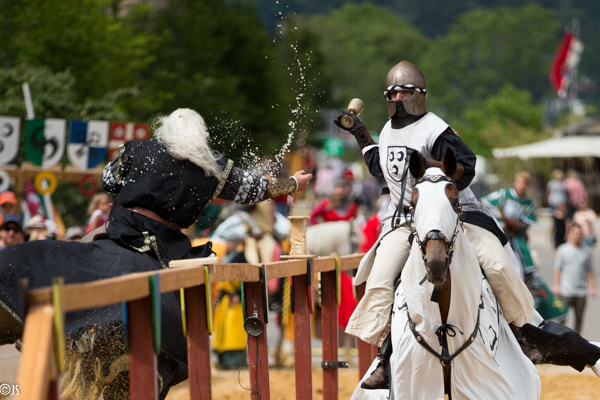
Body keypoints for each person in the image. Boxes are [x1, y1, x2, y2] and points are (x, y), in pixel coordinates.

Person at [0, 108, 312, 399]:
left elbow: (108, 180)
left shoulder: (139, 149)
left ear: (165, 131)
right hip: (164, 248)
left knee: (59, 253)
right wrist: (293, 183)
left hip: (122, 229)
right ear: (201, 137)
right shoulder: (211, 166)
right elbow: (256, 190)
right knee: (176, 306)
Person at [335, 61, 533, 389]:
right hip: (402, 223)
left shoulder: (434, 128)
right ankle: (386, 356)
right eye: (392, 92)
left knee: (497, 265)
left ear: (419, 94)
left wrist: (425, 164)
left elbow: (465, 168)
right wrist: (359, 131)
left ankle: (522, 332)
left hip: (451, 217)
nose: (398, 97)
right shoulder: (386, 131)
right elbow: (378, 167)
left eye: (404, 91)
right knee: (379, 280)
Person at [483, 172, 567, 322]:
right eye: (519, 182)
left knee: (525, 264)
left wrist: (505, 218)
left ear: (527, 185)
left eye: (524, 183)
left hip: (515, 241)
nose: (521, 185)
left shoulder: (529, 205)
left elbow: (521, 227)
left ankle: (528, 291)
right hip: (496, 235)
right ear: (515, 182)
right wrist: (495, 217)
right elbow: (484, 203)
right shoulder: (504, 195)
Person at [553, 224, 596, 333]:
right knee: (562, 318)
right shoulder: (563, 249)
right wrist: (556, 286)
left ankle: (577, 344)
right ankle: (559, 342)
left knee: (579, 319)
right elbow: (558, 269)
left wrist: (592, 286)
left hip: (581, 291)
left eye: (580, 233)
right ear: (570, 234)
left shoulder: (587, 251)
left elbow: (590, 270)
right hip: (566, 290)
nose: (578, 235)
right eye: (576, 233)